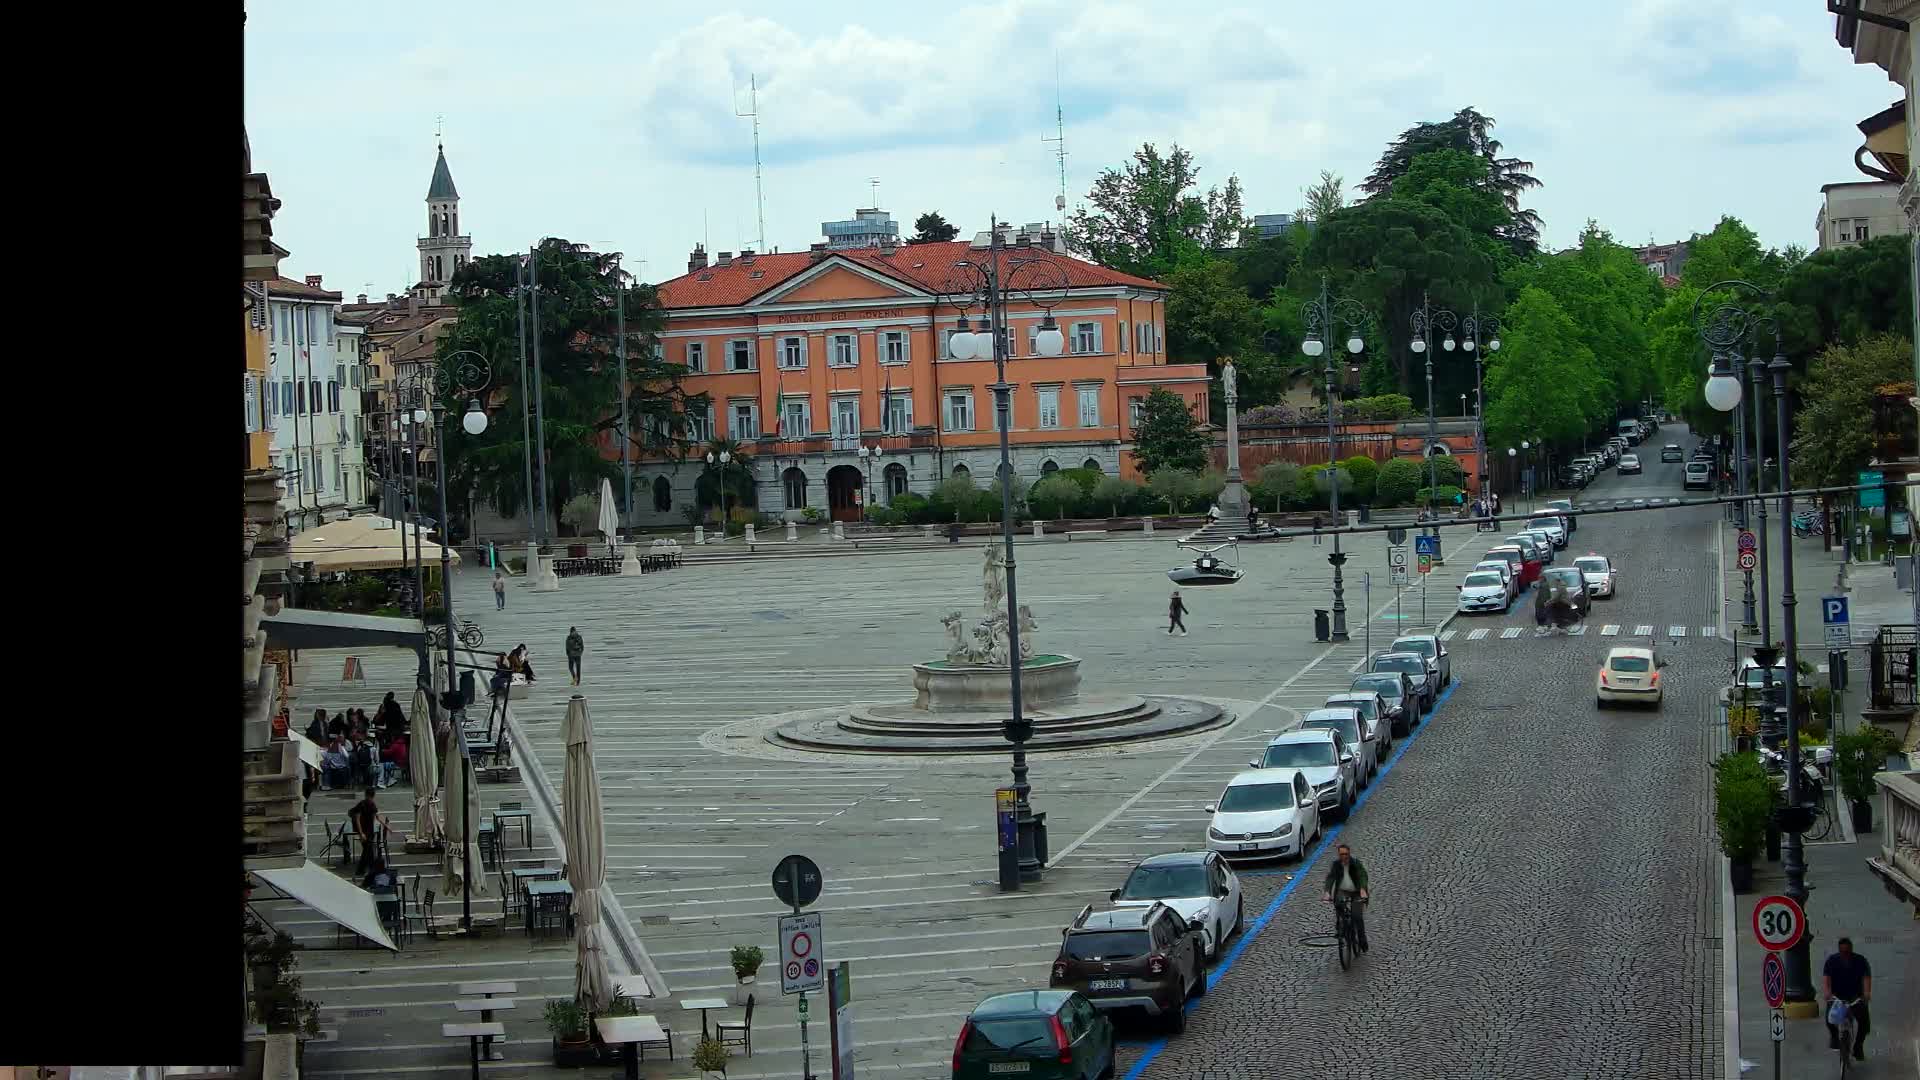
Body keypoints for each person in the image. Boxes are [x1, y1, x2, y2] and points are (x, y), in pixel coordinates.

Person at [1822, 936, 1872, 1060]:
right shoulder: (1832, 961)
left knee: (1864, 1024)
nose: (1846, 954)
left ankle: (1858, 1046)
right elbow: (1827, 978)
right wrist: (1827, 993)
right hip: (1837, 997)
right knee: (1829, 1020)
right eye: (1843, 952)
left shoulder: (1860, 961)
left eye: (1847, 951)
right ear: (1839, 950)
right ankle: (1834, 1037)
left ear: (1851, 949)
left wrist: (1866, 993)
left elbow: (1866, 977)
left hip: (1855, 996)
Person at [1321, 843, 1371, 951]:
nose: (1344, 857)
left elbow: (1362, 875)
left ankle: (1362, 939)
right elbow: (1331, 877)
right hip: (1343, 891)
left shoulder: (1355, 863)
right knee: (1338, 904)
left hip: (1357, 892)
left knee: (1357, 916)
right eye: (1342, 854)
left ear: (1349, 854)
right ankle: (1340, 928)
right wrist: (1327, 892)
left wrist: (1362, 889)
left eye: (1346, 854)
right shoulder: (1336, 864)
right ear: (1339, 855)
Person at [349, 788, 390, 877]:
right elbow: (358, 819)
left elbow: (377, 817)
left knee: (368, 851)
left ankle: (370, 869)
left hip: (369, 831)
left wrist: (386, 826)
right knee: (367, 851)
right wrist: (361, 833)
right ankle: (362, 870)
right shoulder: (363, 805)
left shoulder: (370, 805)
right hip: (365, 831)